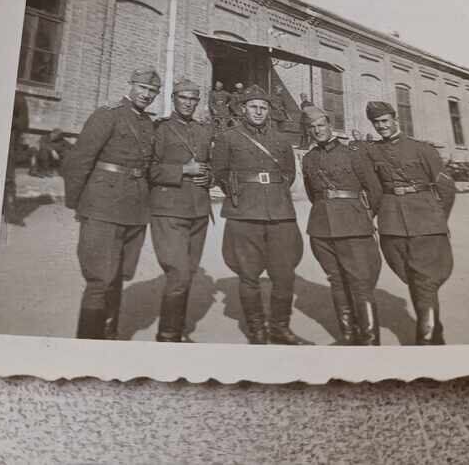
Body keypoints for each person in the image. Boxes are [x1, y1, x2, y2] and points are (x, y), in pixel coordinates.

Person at [61, 68, 161, 340]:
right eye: (142, 87)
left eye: (152, 91)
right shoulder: (108, 114)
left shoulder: (147, 123)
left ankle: (109, 338)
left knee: (117, 276)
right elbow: (78, 160)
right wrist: (78, 204)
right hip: (102, 205)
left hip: (134, 208)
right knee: (99, 280)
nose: (146, 94)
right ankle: (88, 346)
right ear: (130, 85)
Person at [212, 85, 311, 345]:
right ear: (243, 109)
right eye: (253, 107)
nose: (258, 111)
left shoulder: (281, 140)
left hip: (280, 212)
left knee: (284, 273)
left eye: (263, 107)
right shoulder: (228, 137)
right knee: (249, 274)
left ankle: (280, 328)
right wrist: (245, 192)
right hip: (244, 213)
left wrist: (271, 192)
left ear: (269, 111)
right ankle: (257, 330)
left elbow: (288, 174)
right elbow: (220, 173)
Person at [362, 101, 456, 345]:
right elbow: (374, 189)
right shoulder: (372, 151)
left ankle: (425, 343)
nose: (381, 126)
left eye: (385, 121)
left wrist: (437, 219)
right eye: (376, 123)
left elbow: (446, 188)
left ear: (395, 120)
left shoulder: (422, 149)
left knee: (424, 281)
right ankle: (435, 334)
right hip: (392, 223)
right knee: (414, 280)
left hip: (425, 221)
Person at [301, 105, 384, 345]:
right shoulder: (309, 158)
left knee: (360, 283)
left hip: (353, 225)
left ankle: (369, 343)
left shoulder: (353, 153)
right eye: (312, 127)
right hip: (320, 228)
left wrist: (362, 216)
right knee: (336, 281)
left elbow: (374, 190)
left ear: (330, 125)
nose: (318, 130)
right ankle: (348, 337)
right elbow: (312, 193)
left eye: (321, 125)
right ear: (308, 131)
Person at [147, 79, 213, 342]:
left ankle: (176, 329)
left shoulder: (204, 131)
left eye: (193, 99)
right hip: (169, 209)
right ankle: (168, 335)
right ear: (174, 98)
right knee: (179, 273)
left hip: (198, 210)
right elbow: (149, 169)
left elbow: (212, 166)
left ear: (198, 102)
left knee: (189, 272)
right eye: (183, 97)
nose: (188, 103)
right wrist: (184, 170)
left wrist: (209, 177)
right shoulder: (160, 130)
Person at [3, 93, 30, 219]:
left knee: (8, 177)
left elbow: (24, 124)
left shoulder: (18, 98)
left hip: (8, 143)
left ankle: (10, 212)